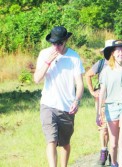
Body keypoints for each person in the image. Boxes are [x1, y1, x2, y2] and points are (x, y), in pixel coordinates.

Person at [34, 26, 85, 167]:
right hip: (48, 104)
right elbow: (37, 79)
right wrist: (47, 62)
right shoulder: (44, 54)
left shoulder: (73, 57)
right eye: (53, 43)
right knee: (51, 140)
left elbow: (80, 84)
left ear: (65, 41)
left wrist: (77, 100)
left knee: (65, 143)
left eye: (59, 43)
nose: (56, 46)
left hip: (67, 107)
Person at [85, 40, 114, 166]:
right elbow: (88, 75)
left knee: (114, 129)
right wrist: (92, 91)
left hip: (117, 101)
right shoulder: (101, 63)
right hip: (102, 100)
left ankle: (113, 153)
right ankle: (103, 151)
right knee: (103, 127)